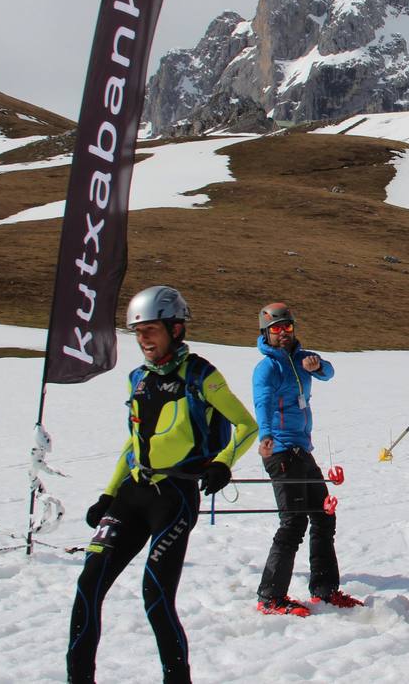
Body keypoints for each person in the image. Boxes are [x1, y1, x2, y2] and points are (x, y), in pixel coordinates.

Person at [67, 285, 257, 684]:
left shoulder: (202, 375)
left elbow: (246, 425)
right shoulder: (137, 379)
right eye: (138, 332)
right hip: (133, 494)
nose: (143, 340)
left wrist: (223, 464)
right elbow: (134, 444)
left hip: (175, 498)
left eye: (150, 329)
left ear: (175, 328)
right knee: (88, 584)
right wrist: (108, 492)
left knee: (155, 596)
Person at [252, 301, 361, 616]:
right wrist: (266, 436)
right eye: (276, 329)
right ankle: (270, 597)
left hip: (302, 450)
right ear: (266, 333)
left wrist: (319, 366)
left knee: (324, 516)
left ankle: (325, 590)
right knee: (293, 522)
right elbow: (263, 402)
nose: (283, 333)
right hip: (281, 451)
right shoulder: (267, 368)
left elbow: (329, 372)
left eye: (287, 327)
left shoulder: (301, 359)